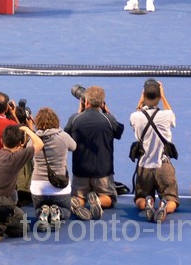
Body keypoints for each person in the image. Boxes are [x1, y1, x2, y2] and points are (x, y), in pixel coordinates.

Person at [65, 85, 123, 221]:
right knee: (110, 198)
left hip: (80, 172)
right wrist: (108, 113)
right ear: (102, 103)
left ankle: (81, 202)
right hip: (103, 173)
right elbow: (119, 132)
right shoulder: (109, 119)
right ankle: (97, 201)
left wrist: (79, 114)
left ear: (86, 102)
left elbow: (65, 137)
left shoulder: (75, 119)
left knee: (77, 197)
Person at [0, 124, 43, 242]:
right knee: (23, 228)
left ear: (1, 141)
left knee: (14, 194)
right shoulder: (16, 158)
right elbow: (39, 144)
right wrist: (28, 130)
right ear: (20, 144)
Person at [130, 79, 178, 223]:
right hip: (163, 167)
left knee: (139, 199)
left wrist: (140, 100)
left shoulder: (135, 117)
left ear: (144, 96)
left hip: (144, 168)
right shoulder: (167, 116)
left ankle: (148, 204)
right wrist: (163, 96)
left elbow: (137, 113)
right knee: (172, 201)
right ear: (158, 97)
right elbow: (170, 112)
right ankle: (165, 207)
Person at [30, 107, 75, 230]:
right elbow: (74, 146)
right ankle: (59, 211)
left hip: (38, 189)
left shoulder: (33, 140)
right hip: (60, 189)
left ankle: (42, 212)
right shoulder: (63, 137)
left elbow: (27, 151)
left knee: (38, 208)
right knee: (67, 211)